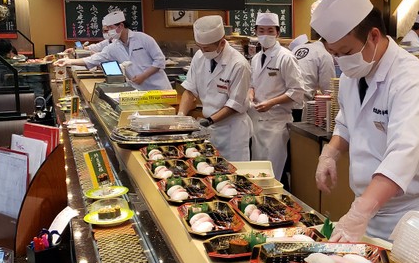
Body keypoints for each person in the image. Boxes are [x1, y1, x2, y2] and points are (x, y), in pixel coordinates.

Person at [311, 0, 419, 242]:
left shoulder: (410, 79)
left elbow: (404, 155)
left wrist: (358, 212)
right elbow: (346, 122)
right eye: (334, 54)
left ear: (374, 36)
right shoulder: (351, 75)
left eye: (345, 51)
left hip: (417, 219)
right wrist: (330, 152)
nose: (340, 61)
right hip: (372, 215)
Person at [177, 15, 252, 161]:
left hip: (232, 131)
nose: (203, 51)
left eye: (206, 48)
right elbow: (189, 90)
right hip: (209, 127)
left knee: (233, 173)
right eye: (200, 47)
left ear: (222, 43)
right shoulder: (200, 56)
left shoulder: (239, 65)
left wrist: (209, 120)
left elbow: (234, 104)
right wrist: (180, 118)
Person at [249, 11, 304, 180]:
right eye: (262, 30)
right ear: (256, 32)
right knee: (256, 169)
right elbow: (252, 84)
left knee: (272, 172)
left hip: (276, 123)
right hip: (257, 121)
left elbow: (297, 90)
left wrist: (271, 103)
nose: (266, 35)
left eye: (270, 31)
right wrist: (250, 95)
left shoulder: (286, 58)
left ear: (278, 32)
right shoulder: (256, 58)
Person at [55, 10, 171, 90]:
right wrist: (68, 62)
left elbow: (160, 61)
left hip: (159, 88)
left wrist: (143, 76)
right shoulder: (114, 46)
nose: (108, 32)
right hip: (139, 91)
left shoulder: (143, 39)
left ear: (121, 26)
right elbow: (95, 59)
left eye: (110, 28)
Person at [289, 33, 335, 121]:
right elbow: (329, 90)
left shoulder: (297, 48)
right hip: (300, 106)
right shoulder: (324, 55)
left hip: (283, 102)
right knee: (298, 133)